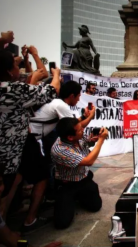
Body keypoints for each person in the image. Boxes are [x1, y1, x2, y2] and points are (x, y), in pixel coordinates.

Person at [0, 48, 60, 222]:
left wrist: (31, 60)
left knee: (12, 186)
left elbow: (38, 74)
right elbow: (51, 91)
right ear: (9, 71)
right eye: (15, 65)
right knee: (5, 194)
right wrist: (56, 75)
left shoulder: (11, 88)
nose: (19, 67)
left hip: (14, 151)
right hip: (9, 154)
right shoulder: (14, 89)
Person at [51, 118, 108, 229]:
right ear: (70, 137)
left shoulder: (78, 136)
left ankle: (80, 196)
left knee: (96, 206)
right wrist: (101, 140)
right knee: (61, 223)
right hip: (67, 183)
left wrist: (93, 140)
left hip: (83, 178)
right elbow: (88, 161)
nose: (83, 129)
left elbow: (87, 141)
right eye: (80, 129)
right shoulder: (59, 149)